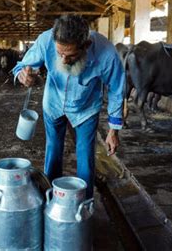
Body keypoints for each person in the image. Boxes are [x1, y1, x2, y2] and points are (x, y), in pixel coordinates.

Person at [12, 15, 125, 198]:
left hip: (86, 108)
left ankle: (84, 203)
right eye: (59, 54)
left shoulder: (106, 53)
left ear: (86, 45)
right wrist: (23, 76)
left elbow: (116, 89)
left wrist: (114, 129)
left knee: (85, 156)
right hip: (54, 103)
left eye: (71, 55)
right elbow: (22, 66)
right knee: (53, 149)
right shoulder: (45, 40)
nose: (63, 60)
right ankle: (50, 197)